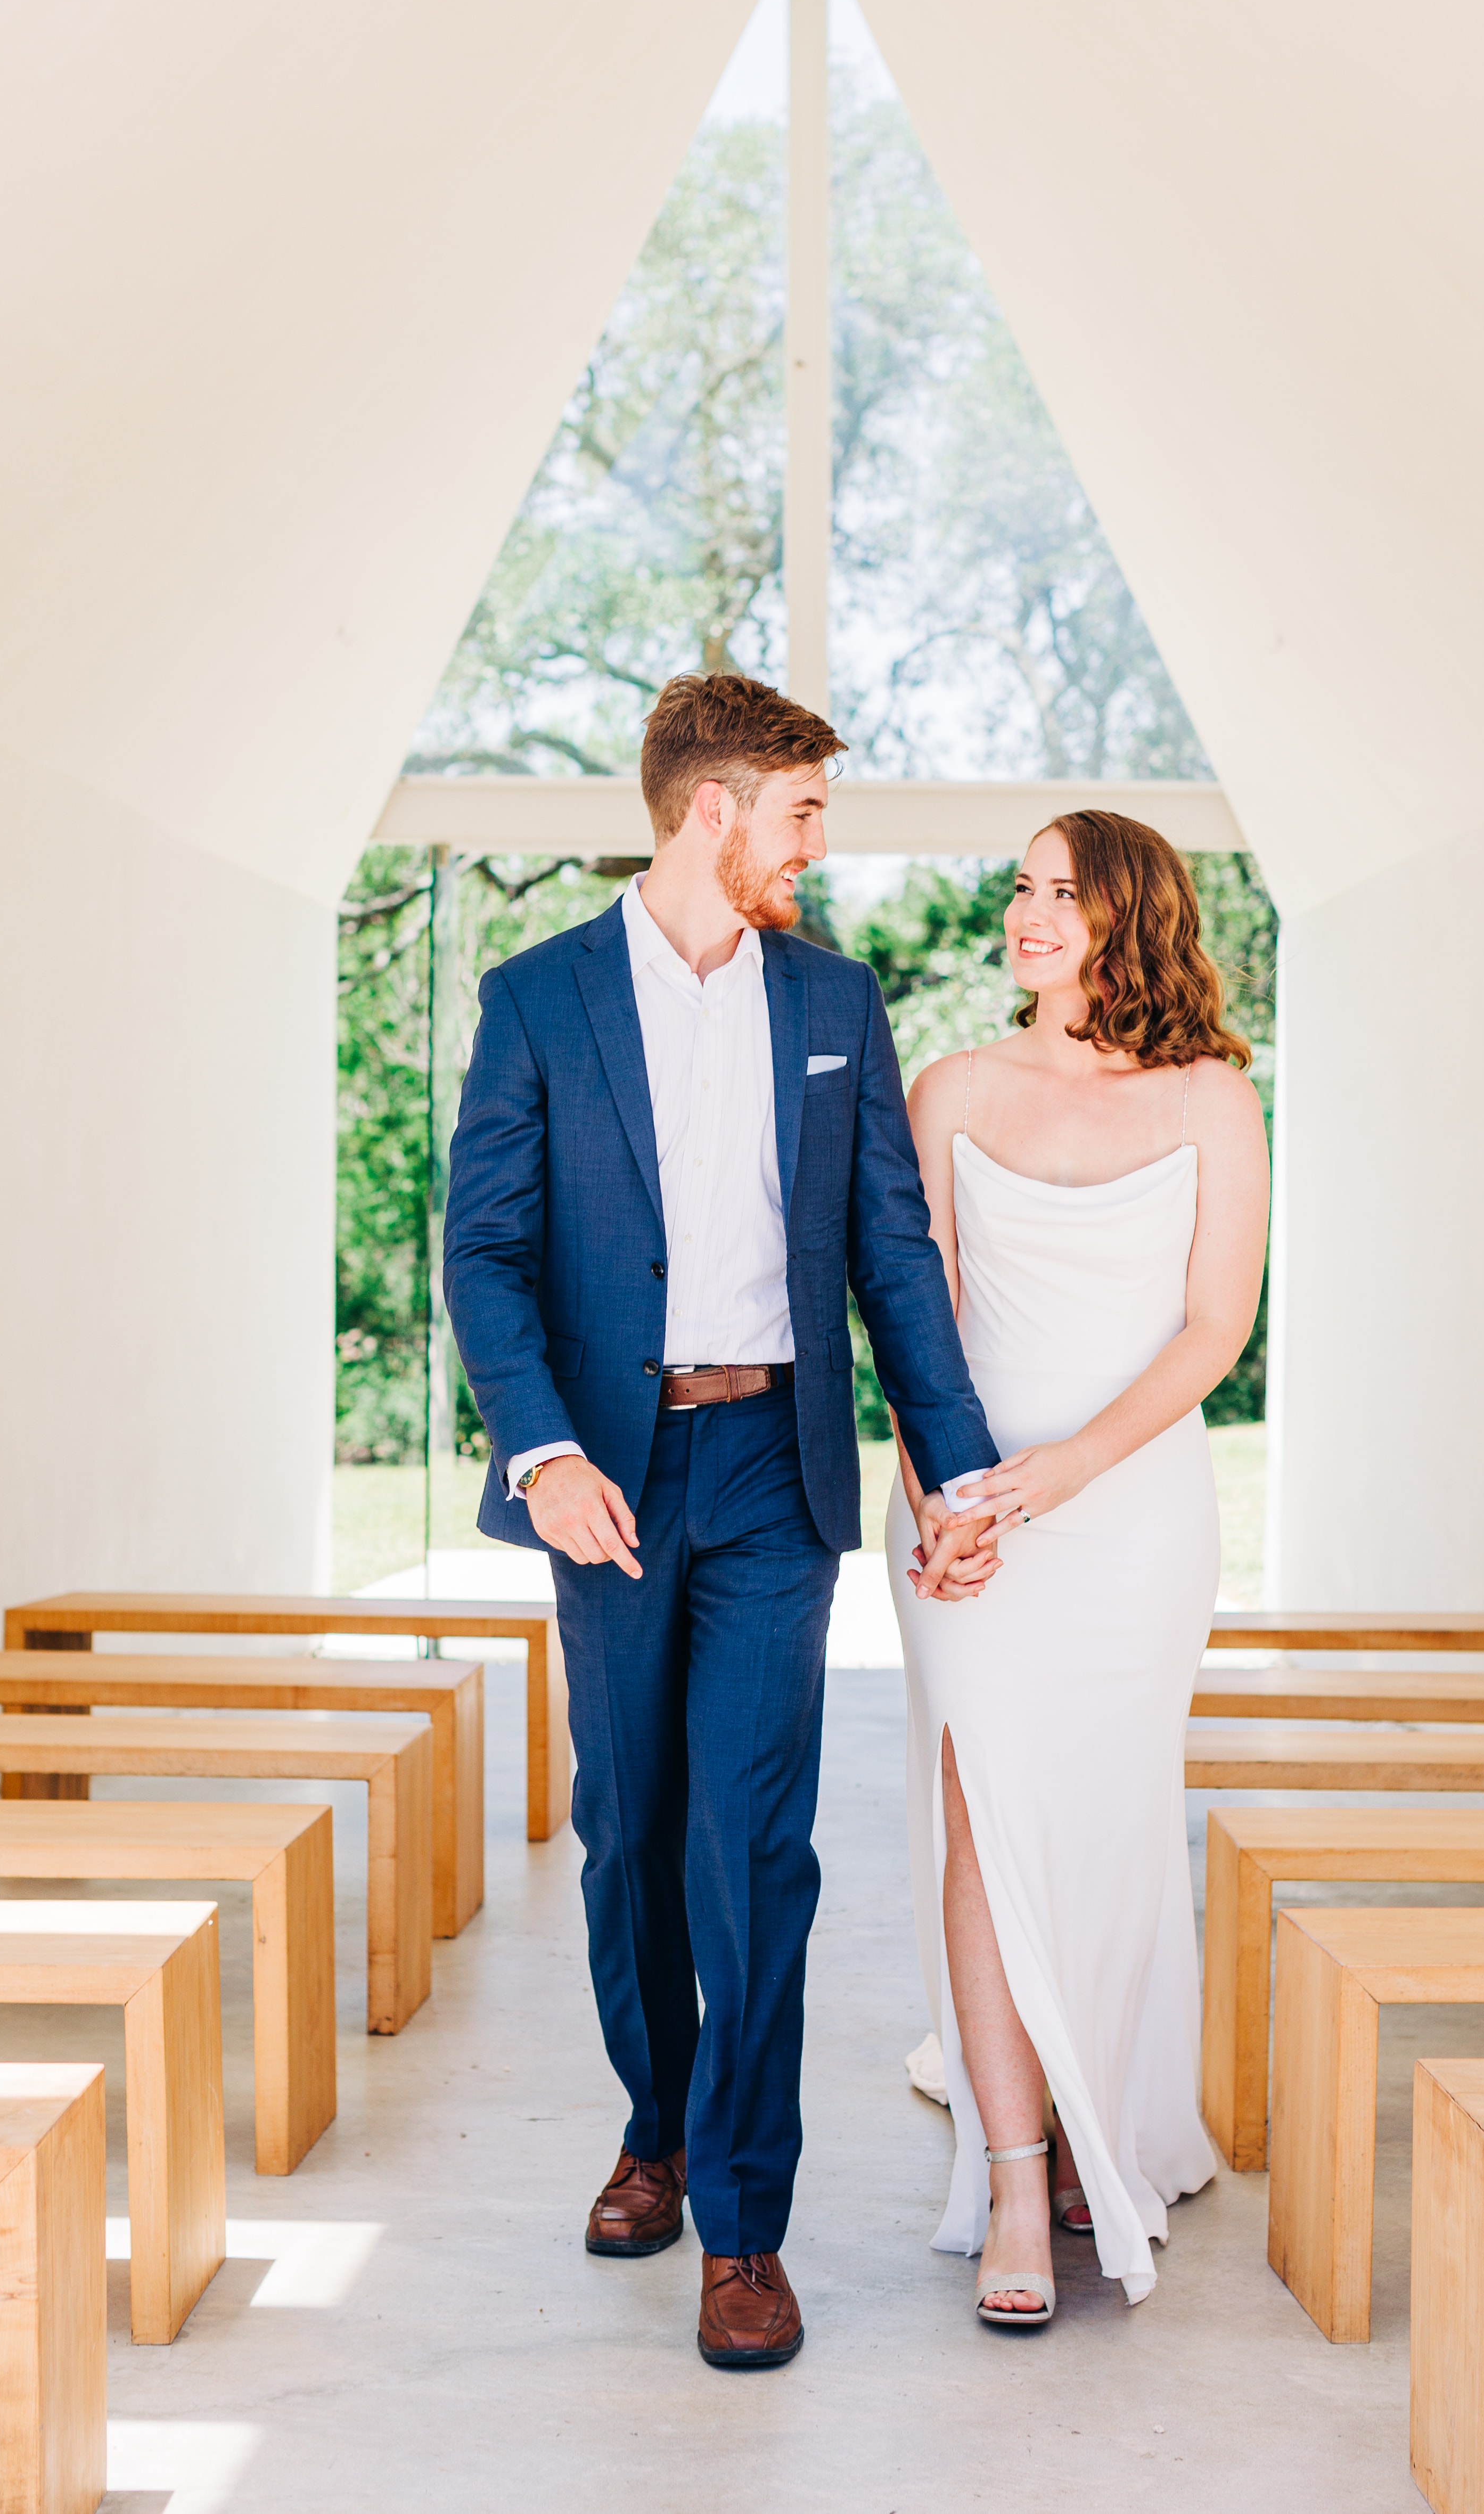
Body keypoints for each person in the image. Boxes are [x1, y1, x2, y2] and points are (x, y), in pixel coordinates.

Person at [442, 672, 1000, 2371]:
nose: (819, 847)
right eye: (804, 814)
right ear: (716, 813)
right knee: (630, 1835)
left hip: (773, 1473)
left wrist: (954, 1465)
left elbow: (888, 1249)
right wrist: (540, 1451)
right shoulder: (537, 1000)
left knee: (753, 1850)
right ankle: (655, 2130)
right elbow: (486, 1250)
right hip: (604, 1482)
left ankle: (744, 2228)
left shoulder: (835, 996)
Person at [889, 810, 1270, 2325]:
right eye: (1021, 890)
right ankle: (1007, 2177)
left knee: (1106, 1824)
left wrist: (1067, 1471)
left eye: (1064, 892)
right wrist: (945, 1503)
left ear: (1131, 916)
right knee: (981, 1821)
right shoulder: (954, 1088)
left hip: (1129, 1521)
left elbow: (1211, 1331)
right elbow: (922, 1321)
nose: (1029, 914)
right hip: (968, 1521)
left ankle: (1096, 2119)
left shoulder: (1211, 1101)